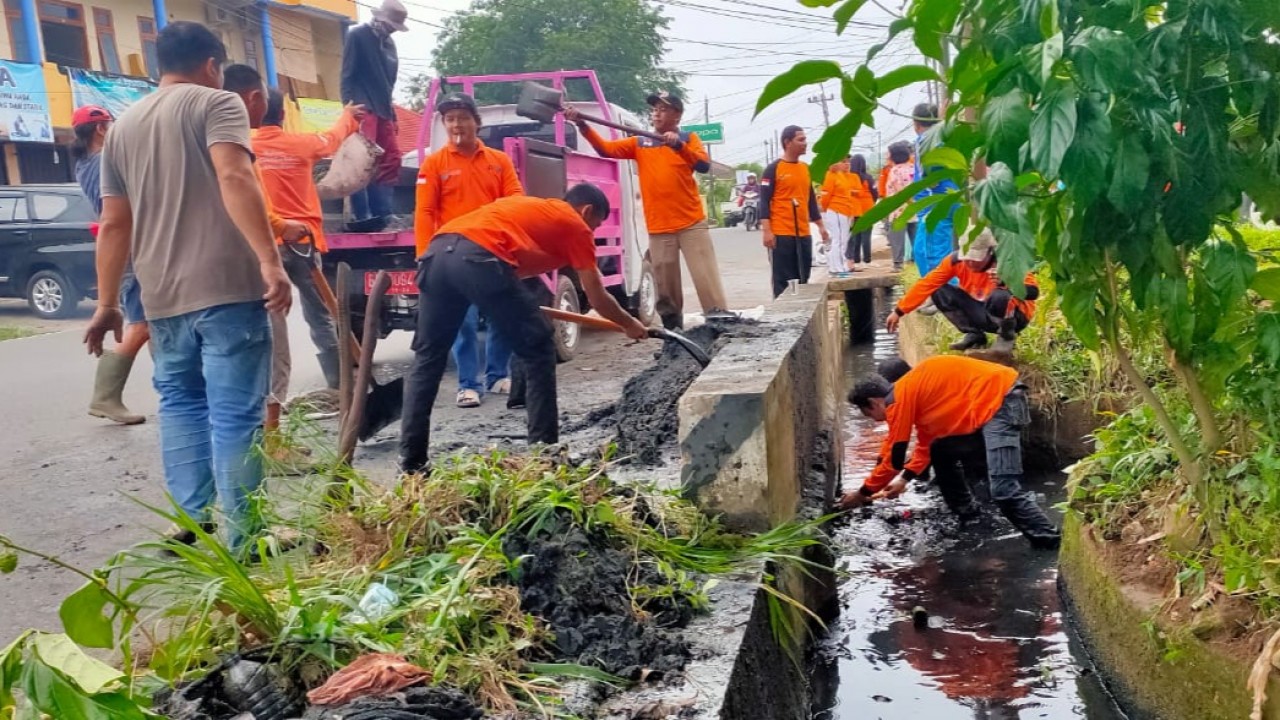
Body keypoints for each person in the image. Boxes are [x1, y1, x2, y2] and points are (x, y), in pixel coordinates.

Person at [85, 22, 293, 550]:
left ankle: (192, 517)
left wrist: (107, 302)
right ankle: (246, 538)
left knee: (179, 403)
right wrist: (270, 262)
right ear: (211, 65)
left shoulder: (124, 127)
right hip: (227, 287)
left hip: (161, 296)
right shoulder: (216, 104)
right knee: (235, 412)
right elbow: (235, 177)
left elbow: (114, 223)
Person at [398, 185, 649, 474]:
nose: (593, 232)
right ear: (587, 211)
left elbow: (508, 272)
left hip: (437, 254)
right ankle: (546, 456)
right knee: (540, 347)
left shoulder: (532, 209)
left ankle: (412, 465)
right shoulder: (575, 225)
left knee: (428, 359)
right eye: (596, 224)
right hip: (478, 258)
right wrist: (629, 324)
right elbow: (596, 297)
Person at [840, 355, 1061, 550]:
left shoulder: (898, 400)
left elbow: (894, 459)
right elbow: (925, 446)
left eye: (868, 414)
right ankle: (969, 515)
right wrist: (904, 480)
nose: (872, 420)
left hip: (1001, 402)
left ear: (873, 403)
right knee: (941, 449)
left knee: (1003, 489)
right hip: (989, 406)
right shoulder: (914, 393)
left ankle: (1050, 542)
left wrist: (862, 494)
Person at [566, 91, 729, 330]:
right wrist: (583, 125)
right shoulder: (640, 143)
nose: (657, 113)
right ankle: (674, 332)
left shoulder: (689, 138)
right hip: (660, 227)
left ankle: (720, 324)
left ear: (677, 115)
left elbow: (702, 165)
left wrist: (679, 146)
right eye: (655, 109)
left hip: (691, 223)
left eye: (663, 109)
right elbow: (606, 150)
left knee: (706, 279)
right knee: (666, 288)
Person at [415, 92, 524, 408]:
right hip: (452, 254)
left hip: (492, 250)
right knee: (462, 321)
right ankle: (468, 385)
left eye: (462, 117)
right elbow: (424, 212)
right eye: (449, 119)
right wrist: (424, 254)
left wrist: (515, 243)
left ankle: (497, 376)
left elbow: (514, 200)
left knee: (500, 317)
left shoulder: (499, 161)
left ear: (477, 122)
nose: (456, 124)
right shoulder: (435, 164)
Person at [252, 89, 364, 392]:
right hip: (303, 240)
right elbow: (332, 139)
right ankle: (341, 386)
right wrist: (349, 117)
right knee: (320, 314)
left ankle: (274, 396)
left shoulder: (245, 148)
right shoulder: (301, 145)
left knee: (271, 319)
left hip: (264, 245)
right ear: (284, 115)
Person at [73, 105, 148, 426]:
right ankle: (105, 396)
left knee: (157, 324)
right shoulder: (105, 161)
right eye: (112, 124)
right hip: (132, 251)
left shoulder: (84, 164)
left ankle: (183, 390)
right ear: (101, 130)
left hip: (128, 250)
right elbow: (119, 214)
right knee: (143, 323)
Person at [885, 231, 1038, 353]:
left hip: (1015, 316)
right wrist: (899, 311)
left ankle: (1006, 337)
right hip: (981, 308)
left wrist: (1007, 282)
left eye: (976, 258)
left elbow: (1033, 292)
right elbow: (927, 284)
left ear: (990, 252)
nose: (970, 263)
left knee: (999, 295)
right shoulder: (955, 261)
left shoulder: (1008, 261)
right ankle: (975, 335)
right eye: (967, 258)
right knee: (939, 290)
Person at [340, 0, 408, 232]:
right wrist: (348, 108)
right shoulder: (358, 35)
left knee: (391, 158)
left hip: (383, 108)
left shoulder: (390, 44)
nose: (391, 29)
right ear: (380, 19)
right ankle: (363, 214)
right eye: (390, 24)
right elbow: (347, 73)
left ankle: (384, 213)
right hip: (362, 106)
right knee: (363, 160)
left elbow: (389, 85)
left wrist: (393, 115)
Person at [760, 125, 830, 298]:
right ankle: (781, 317)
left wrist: (821, 227)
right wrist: (767, 231)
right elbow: (763, 201)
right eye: (801, 140)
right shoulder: (774, 169)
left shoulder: (805, 169)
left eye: (805, 139)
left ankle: (800, 315)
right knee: (783, 280)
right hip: (782, 233)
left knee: (803, 276)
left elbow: (811, 201)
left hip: (803, 233)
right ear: (787, 142)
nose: (805, 143)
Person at [911, 103, 960, 275]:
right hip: (939, 202)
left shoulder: (925, 141)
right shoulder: (943, 137)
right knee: (920, 252)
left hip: (935, 203)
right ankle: (935, 292)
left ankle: (946, 295)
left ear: (915, 124)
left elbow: (927, 176)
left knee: (934, 256)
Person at [882, 141, 917, 271]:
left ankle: (898, 264)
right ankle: (916, 261)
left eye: (888, 153)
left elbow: (899, 189)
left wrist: (907, 201)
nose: (887, 156)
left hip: (898, 210)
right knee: (915, 236)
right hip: (915, 208)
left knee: (897, 238)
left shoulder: (895, 170)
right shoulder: (914, 168)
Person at [818, 157, 855, 277]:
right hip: (835, 210)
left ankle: (839, 266)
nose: (846, 164)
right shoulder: (830, 176)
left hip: (845, 210)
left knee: (843, 240)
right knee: (838, 239)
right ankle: (838, 268)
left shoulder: (843, 176)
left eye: (848, 162)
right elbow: (825, 196)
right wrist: (826, 209)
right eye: (843, 161)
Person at [843, 153, 878, 272]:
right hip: (868, 209)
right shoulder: (868, 178)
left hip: (855, 209)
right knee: (866, 236)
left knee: (855, 235)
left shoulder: (850, 177)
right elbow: (875, 193)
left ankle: (855, 258)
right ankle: (867, 259)